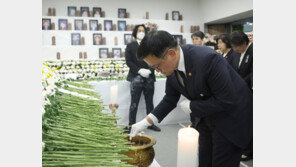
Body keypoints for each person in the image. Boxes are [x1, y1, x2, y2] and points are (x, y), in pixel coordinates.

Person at [130, 30, 253, 167]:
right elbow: (170, 99)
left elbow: (226, 100)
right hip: (207, 115)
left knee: (222, 162)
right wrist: (145, 122)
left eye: (157, 66)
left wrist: (192, 106)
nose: (157, 71)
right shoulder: (171, 67)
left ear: (171, 53)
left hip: (231, 117)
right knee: (205, 160)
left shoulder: (207, 59)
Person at [124, 24, 161, 133]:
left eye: (143, 30)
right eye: (139, 30)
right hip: (136, 77)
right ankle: (131, 125)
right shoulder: (130, 46)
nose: (141, 32)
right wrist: (139, 70)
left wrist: (151, 69)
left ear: (146, 33)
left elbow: (156, 58)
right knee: (134, 103)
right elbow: (129, 61)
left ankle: (151, 124)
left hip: (149, 77)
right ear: (135, 33)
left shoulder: (151, 45)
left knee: (150, 102)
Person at [230, 30, 253, 161]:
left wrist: (239, 84)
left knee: (249, 122)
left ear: (245, 42)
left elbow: (252, 73)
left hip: (249, 92)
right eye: (233, 46)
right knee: (241, 121)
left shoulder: (253, 50)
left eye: (237, 46)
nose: (235, 49)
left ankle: (249, 151)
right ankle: (242, 146)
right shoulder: (236, 53)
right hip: (238, 93)